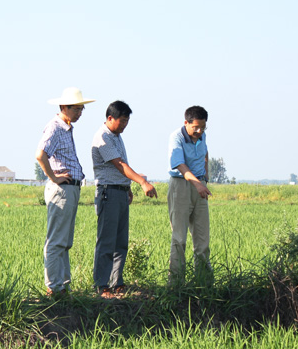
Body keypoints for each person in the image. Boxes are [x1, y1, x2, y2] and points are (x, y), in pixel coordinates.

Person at [91, 100, 157, 298]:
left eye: (127, 121)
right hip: (108, 193)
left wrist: (127, 188)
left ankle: (117, 283)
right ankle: (102, 286)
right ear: (110, 118)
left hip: (119, 192)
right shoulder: (103, 137)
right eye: (122, 121)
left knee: (121, 242)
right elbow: (120, 165)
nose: (125, 125)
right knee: (106, 241)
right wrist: (142, 182)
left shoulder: (117, 136)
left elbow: (122, 166)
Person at [35, 87, 95, 297]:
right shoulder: (55, 127)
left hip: (70, 188)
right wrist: (54, 177)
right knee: (57, 240)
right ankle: (54, 286)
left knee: (65, 240)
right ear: (64, 107)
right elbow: (40, 155)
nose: (79, 112)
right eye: (76, 108)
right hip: (62, 189)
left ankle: (63, 285)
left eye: (81, 109)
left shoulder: (66, 128)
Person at [167, 105, 212, 283]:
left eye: (203, 127)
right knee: (179, 238)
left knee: (202, 240)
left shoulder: (202, 135)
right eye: (196, 127)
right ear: (186, 123)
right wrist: (198, 184)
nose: (199, 131)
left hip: (200, 185)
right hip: (181, 186)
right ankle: (176, 284)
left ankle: (203, 282)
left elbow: (205, 152)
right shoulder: (176, 137)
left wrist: (205, 174)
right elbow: (180, 164)